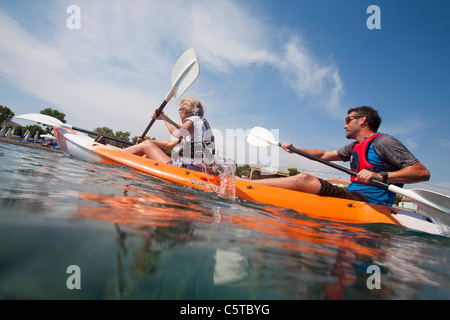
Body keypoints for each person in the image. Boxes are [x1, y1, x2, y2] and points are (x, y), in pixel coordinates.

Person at [246, 106, 430, 206]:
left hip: (370, 202)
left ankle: (242, 183)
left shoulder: (384, 142)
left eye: (348, 120)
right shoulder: (354, 146)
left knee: (304, 179)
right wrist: (295, 148)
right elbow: (324, 154)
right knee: (304, 186)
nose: (345, 125)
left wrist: (380, 176)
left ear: (362, 120)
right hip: (352, 194)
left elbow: (422, 172)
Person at [123, 96, 215, 172]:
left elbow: (178, 132)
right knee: (147, 155)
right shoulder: (198, 127)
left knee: (146, 146)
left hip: (183, 169)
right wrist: (150, 141)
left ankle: (114, 155)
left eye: (180, 110)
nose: (179, 114)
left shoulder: (194, 119)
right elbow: (171, 143)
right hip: (192, 169)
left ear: (185, 111)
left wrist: (163, 117)